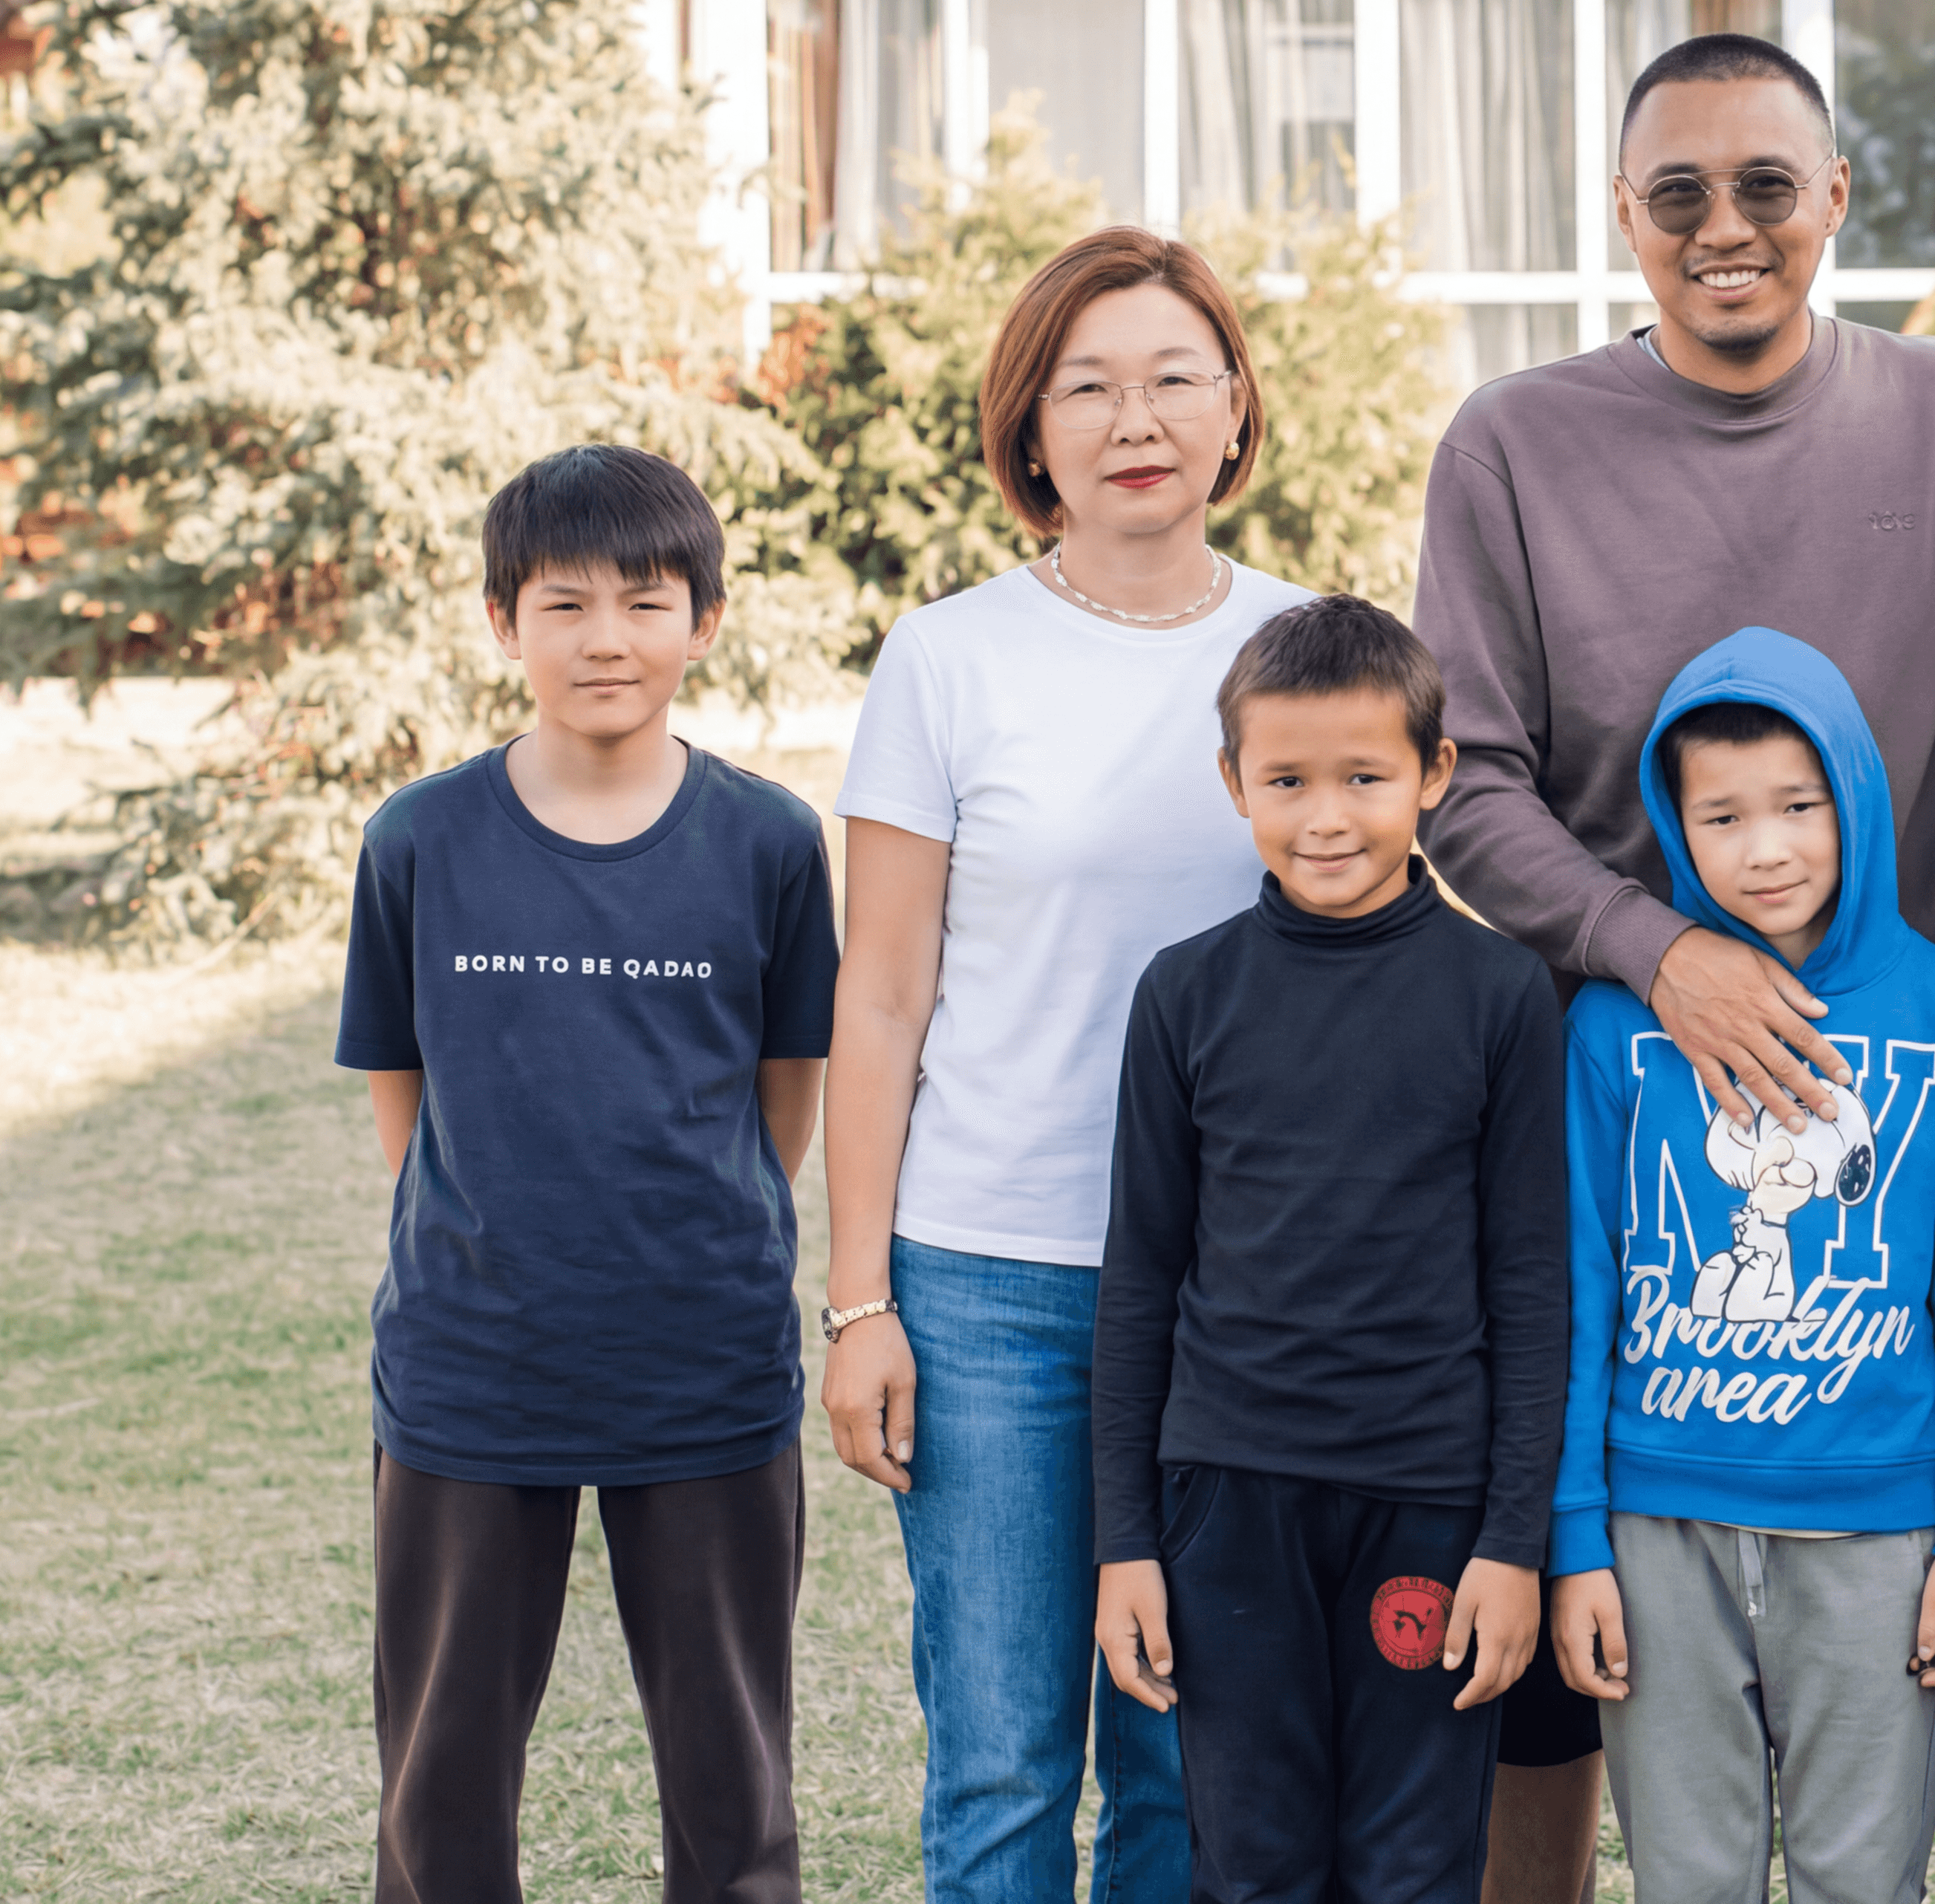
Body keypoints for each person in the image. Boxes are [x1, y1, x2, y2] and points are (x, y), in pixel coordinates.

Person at [1411, 34, 1935, 1891]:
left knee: (1864, 1771)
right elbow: (1459, 778)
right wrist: (1655, 955)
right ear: (1623, 216)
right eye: (1680, 195)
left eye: (1768, 187)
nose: (1728, 230)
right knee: (1591, 1648)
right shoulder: (1515, 443)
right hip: (1604, 1087)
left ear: (1837, 199)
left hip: (1894, 1077)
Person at [821, 228, 1316, 1903]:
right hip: (992, 1284)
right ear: (1031, 428)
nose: (1137, 418)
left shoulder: (1312, 652)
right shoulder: (946, 660)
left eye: (1176, 376)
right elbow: (877, 1000)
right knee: (1005, 1764)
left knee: (1192, 1761)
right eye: (1088, 385)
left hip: (1235, 1290)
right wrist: (858, 1300)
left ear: (1236, 409)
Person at [338, 444, 839, 1904]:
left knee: (735, 1799)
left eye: (645, 600)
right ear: (504, 623)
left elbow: (782, 1097)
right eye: (564, 604)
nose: (605, 638)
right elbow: (403, 1096)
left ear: (705, 622)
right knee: (440, 1802)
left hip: (705, 1370)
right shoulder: (419, 841)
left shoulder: (767, 843)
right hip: (470, 1374)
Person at [1541, 628, 1935, 1903]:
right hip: (1659, 1527)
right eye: (1722, 817)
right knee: (1689, 1877)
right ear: (1673, 827)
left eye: (1799, 807)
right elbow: (1579, 1291)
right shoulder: (1616, 1025)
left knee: (1862, 1878)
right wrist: (1574, 1539)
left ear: (1858, 798)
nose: (1765, 849)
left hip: (1874, 1532)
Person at [1090, 596, 1564, 1901]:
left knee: (1413, 1870)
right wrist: (1126, 1542)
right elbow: (1141, 1277)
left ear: (1433, 775)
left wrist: (1512, 1543)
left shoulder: (1501, 994)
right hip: (1229, 1499)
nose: (1326, 817)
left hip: (1428, 1499)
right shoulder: (1186, 995)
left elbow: (1532, 1287)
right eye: (1287, 780)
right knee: (1253, 1867)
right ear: (1234, 779)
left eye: (1365, 777)